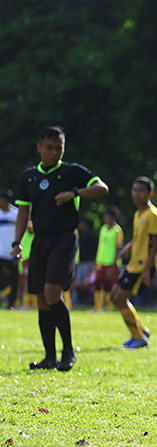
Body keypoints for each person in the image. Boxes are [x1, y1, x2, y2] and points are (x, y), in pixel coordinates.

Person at [11, 126, 109, 371]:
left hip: (64, 239)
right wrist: (17, 242)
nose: (55, 153)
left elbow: (102, 188)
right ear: (39, 148)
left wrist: (74, 192)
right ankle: (49, 357)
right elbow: (23, 211)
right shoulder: (29, 176)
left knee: (53, 293)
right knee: (42, 299)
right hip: (41, 242)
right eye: (50, 148)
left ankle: (68, 351)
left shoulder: (72, 172)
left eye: (59, 148)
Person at [110, 176, 157, 349]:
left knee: (120, 298)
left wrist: (148, 269)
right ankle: (140, 330)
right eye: (134, 190)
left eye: (141, 191)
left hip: (143, 265)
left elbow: (156, 244)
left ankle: (138, 337)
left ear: (150, 194)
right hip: (133, 263)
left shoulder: (153, 215)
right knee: (114, 296)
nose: (136, 194)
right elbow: (139, 238)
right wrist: (125, 250)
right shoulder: (138, 213)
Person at [93, 206, 124, 311]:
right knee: (97, 283)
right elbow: (100, 246)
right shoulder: (103, 229)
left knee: (109, 285)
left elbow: (118, 248)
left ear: (113, 218)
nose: (105, 218)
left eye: (107, 216)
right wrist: (97, 260)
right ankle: (98, 307)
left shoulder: (117, 230)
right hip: (101, 261)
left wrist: (114, 263)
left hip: (111, 263)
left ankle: (109, 308)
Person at [0, 188, 18, 309]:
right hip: (0, 252)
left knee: (14, 280)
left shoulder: (16, 214)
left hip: (12, 252)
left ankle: (11, 304)